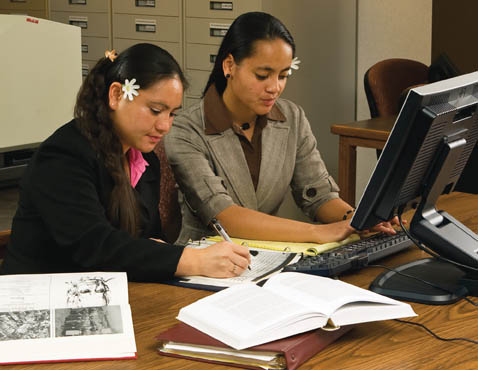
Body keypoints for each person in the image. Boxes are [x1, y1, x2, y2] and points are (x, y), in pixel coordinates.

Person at [0, 43, 250, 281]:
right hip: (38, 300)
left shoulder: (144, 158)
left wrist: (154, 251)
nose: (165, 126)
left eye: (172, 114)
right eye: (155, 110)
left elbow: (147, 239)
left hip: (110, 292)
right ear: (117, 94)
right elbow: (95, 247)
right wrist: (194, 260)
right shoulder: (63, 156)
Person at [164, 12, 399, 245]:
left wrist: (357, 220)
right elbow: (224, 217)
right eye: (262, 75)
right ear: (229, 65)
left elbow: (319, 194)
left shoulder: (292, 118)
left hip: (268, 257)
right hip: (204, 264)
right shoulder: (186, 129)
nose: (274, 87)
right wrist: (318, 232)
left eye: (283, 75)